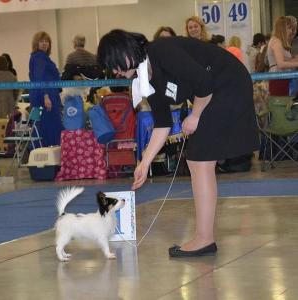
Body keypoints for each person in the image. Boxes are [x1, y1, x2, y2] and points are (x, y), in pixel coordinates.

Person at [97, 29, 259, 257]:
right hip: (213, 91)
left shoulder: (162, 51)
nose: (115, 70)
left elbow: (205, 84)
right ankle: (205, 238)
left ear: (125, 52)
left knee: (199, 160)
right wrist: (144, 163)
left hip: (228, 83)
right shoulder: (145, 79)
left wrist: (195, 115)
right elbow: (162, 123)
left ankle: (204, 239)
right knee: (199, 161)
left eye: (114, 64)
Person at [29, 31, 63, 146]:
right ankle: (50, 157)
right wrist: (46, 96)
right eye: (41, 41)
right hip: (45, 97)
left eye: (47, 41)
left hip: (39, 98)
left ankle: (38, 155)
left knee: (39, 126)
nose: (44, 44)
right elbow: (39, 77)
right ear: (36, 43)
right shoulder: (40, 57)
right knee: (50, 127)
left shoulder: (37, 57)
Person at [267, 16, 298, 96]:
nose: (291, 31)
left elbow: (283, 62)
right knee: (280, 104)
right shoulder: (276, 42)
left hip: (281, 77)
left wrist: (294, 60)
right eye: (289, 28)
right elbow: (281, 64)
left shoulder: (278, 41)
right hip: (278, 78)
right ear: (283, 28)